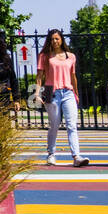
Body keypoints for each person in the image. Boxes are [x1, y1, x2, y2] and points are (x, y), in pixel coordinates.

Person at [35, 28, 90, 167]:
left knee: (72, 125)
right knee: (54, 125)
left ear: (61, 40)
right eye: (52, 39)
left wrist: (76, 93)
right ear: (49, 40)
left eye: (57, 38)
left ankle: (76, 156)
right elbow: (39, 77)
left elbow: (73, 77)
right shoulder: (44, 56)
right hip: (50, 91)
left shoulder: (70, 56)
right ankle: (51, 154)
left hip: (68, 92)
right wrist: (36, 94)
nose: (54, 41)